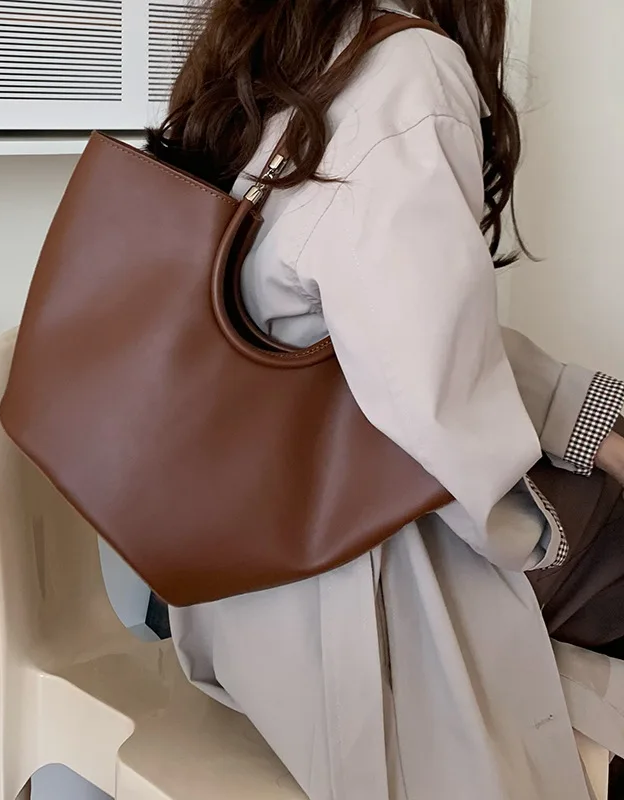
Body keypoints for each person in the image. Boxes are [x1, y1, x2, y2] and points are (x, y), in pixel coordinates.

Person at [147, 1, 624, 798]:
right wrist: (540, 518)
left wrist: (591, 422)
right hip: (349, 590)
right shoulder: (408, 67)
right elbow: (434, 405)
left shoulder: (267, 48)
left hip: (230, 577)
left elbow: (352, 331)